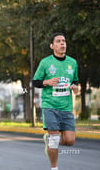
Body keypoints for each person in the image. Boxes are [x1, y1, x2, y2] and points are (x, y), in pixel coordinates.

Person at [33, 32, 79, 170]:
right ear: (52, 46)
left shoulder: (72, 63)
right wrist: (47, 81)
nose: (62, 43)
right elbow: (36, 82)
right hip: (50, 105)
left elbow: (75, 80)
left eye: (64, 41)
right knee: (54, 140)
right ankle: (54, 168)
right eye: (58, 41)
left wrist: (75, 87)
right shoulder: (45, 62)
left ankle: (49, 139)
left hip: (66, 106)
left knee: (70, 141)